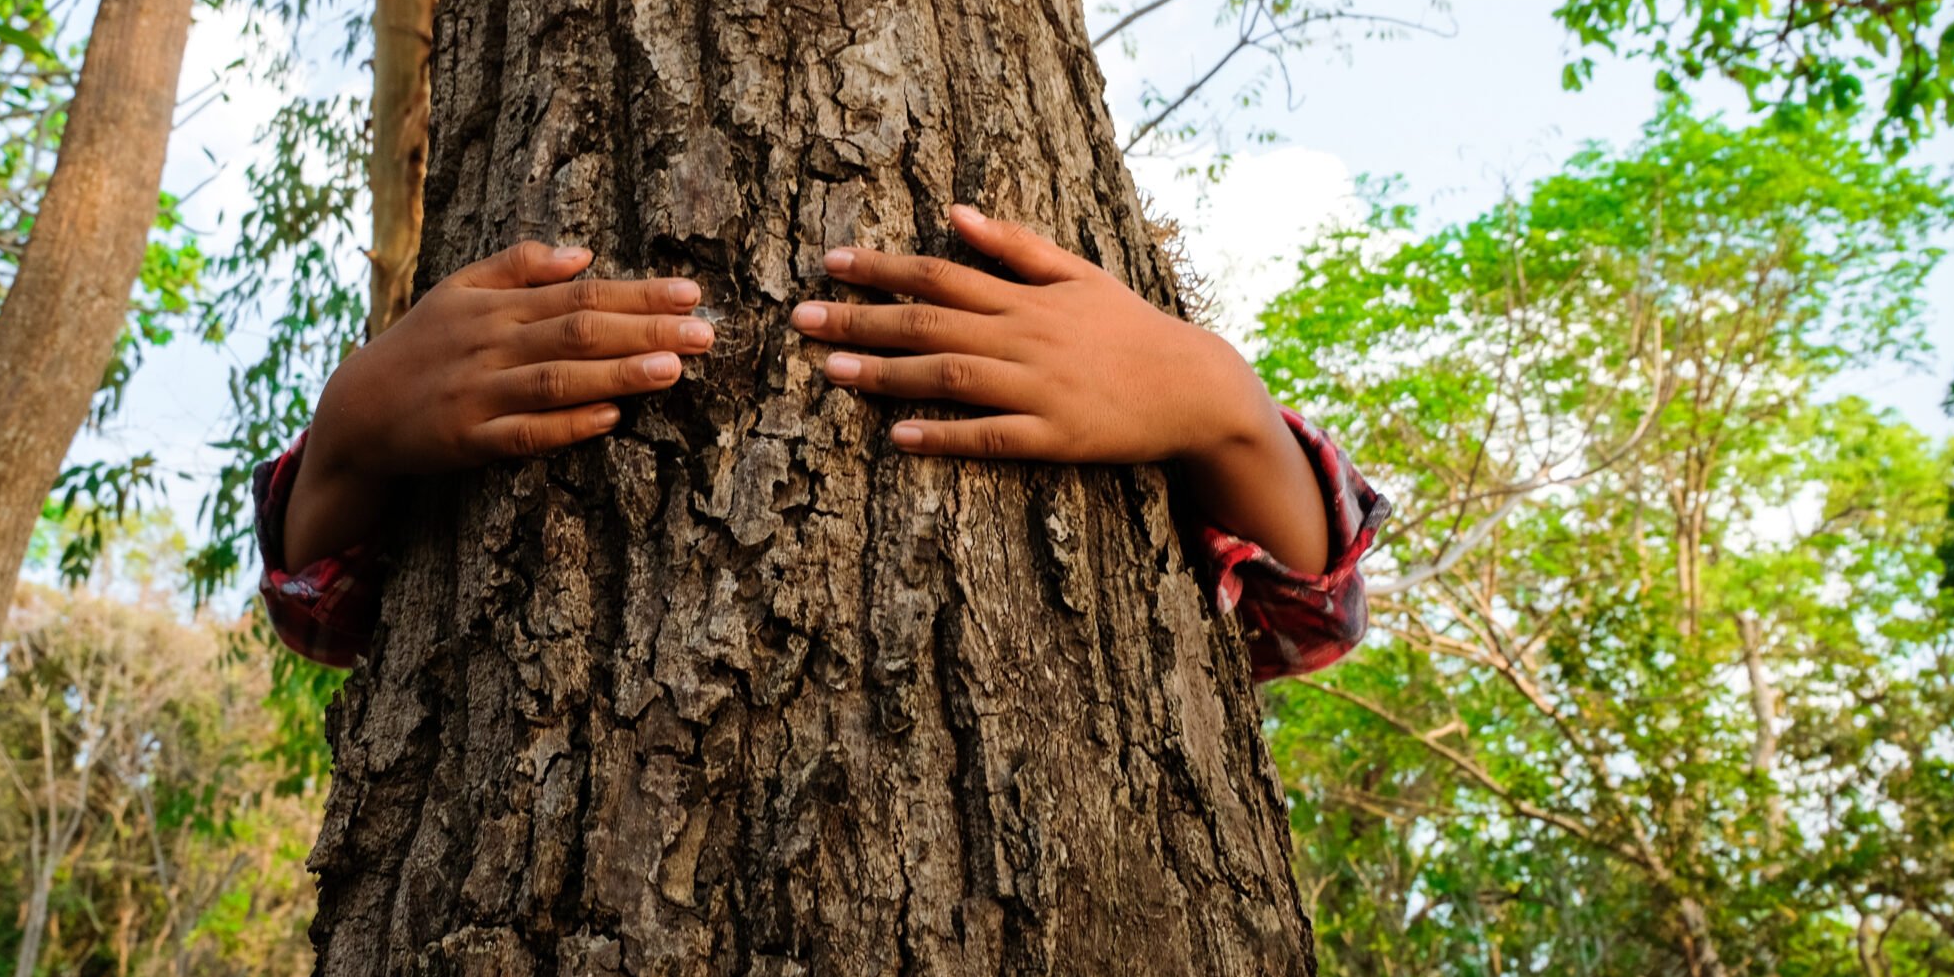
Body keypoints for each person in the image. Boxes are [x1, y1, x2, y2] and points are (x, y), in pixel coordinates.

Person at [253, 203, 1385, 680]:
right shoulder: (430, 396)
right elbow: (329, 608)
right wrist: (347, 438)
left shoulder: (1119, 356)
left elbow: (1303, 615)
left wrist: (1221, 399)